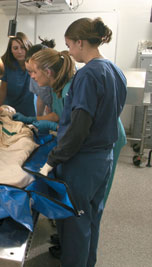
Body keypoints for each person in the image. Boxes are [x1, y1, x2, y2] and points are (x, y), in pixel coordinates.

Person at [39, 17, 127, 267]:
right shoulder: (114, 70)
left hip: (83, 161)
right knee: (91, 217)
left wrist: (53, 159)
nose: (68, 51)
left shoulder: (88, 75)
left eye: (69, 45)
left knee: (75, 221)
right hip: (103, 158)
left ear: (80, 42)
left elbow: (79, 127)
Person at [15, 48, 75, 134]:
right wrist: (29, 119)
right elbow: (57, 116)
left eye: (35, 72)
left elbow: (75, 131)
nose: (32, 76)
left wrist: (53, 127)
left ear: (47, 72)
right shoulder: (56, 88)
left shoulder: (69, 91)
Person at [0, 32, 35, 116]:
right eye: (15, 48)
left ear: (28, 47)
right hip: (10, 110)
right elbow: (3, 89)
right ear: (11, 50)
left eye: (23, 48)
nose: (19, 51)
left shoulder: (35, 64)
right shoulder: (6, 65)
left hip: (30, 110)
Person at [25, 37, 56, 116]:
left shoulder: (62, 87)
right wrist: (39, 119)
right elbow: (42, 97)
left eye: (34, 71)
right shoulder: (38, 80)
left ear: (47, 70)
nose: (32, 76)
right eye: (29, 71)